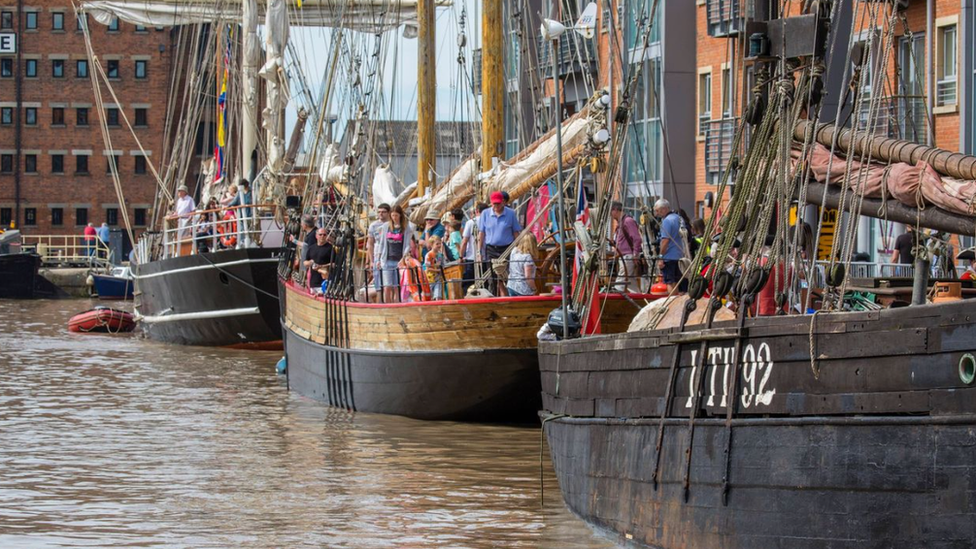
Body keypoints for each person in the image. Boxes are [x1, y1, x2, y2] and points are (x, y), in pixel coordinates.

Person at [479, 191, 521, 296]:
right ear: (491, 203)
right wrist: (479, 251)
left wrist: (519, 247)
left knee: (509, 274)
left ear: (503, 202)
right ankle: (494, 296)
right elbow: (481, 234)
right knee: (492, 277)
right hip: (491, 249)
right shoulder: (485, 214)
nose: (496, 206)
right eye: (494, 204)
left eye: (498, 203)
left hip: (507, 248)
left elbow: (516, 232)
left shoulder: (510, 213)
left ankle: (510, 295)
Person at [375, 204, 417, 303]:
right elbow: (381, 243)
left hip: (399, 260)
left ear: (400, 216)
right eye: (392, 216)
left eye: (396, 216)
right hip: (387, 259)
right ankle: (387, 306)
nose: (394, 218)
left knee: (397, 287)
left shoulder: (405, 228)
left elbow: (407, 244)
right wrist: (378, 259)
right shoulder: (386, 227)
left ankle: (397, 305)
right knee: (387, 286)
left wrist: (403, 258)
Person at [655, 198, 686, 292]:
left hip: (670, 257)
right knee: (678, 282)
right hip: (681, 256)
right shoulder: (679, 218)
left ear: (664, 209)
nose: (657, 213)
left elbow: (665, 241)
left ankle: (671, 301)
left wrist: (660, 257)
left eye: (658, 210)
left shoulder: (667, 221)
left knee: (670, 282)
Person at [610, 201, 643, 293]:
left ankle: (614, 296)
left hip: (628, 256)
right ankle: (639, 298)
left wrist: (635, 255)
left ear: (616, 210)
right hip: (623, 256)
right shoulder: (620, 223)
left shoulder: (628, 221)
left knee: (621, 280)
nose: (610, 215)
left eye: (611, 211)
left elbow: (637, 239)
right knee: (630, 282)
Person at [460, 202, 489, 293]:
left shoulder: (470, 223)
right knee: (485, 285)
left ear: (476, 211)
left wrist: (461, 256)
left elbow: (464, 242)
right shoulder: (489, 222)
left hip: (471, 258)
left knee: (468, 285)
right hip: (485, 258)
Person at [365, 203, 391, 293]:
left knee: (390, 284)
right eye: (379, 212)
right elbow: (370, 244)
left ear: (388, 213)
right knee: (379, 284)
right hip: (377, 256)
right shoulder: (373, 226)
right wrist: (371, 261)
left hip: (390, 255)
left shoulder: (392, 225)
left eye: (383, 212)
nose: (381, 214)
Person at [226, 180, 253, 248]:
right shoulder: (239, 193)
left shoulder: (251, 192)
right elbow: (235, 201)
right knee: (242, 229)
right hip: (241, 216)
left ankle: (251, 242)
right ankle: (243, 243)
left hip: (250, 214)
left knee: (250, 229)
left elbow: (251, 201)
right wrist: (228, 206)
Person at [424, 235, 447, 300]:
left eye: (440, 243)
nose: (439, 245)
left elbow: (443, 264)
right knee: (430, 296)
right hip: (430, 279)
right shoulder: (428, 255)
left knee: (438, 295)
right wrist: (438, 270)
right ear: (431, 244)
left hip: (438, 279)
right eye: (437, 244)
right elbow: (428, 268)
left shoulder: (440, 255)